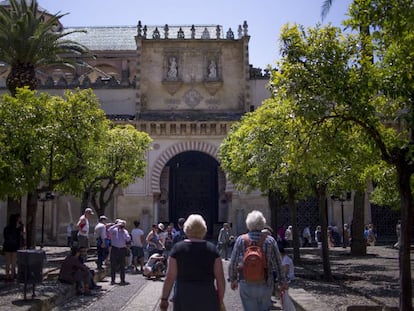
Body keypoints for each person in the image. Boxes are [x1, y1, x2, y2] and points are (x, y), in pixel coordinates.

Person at [159, 214, 225, 311]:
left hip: (184, 295)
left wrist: (164, 298)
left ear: (186, 228)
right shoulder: (212, 249)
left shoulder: (178, 249)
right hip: (207, 295)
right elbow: (220, 278)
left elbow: (170, 277)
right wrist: (220, 299)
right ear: (204, 229)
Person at [228, 210, 288, 311]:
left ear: (248, 224)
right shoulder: (270, 240)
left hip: (246, 281)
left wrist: (233, 279)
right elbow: (278, 263)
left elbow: (233, 262)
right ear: (262, 224)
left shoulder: (241, 240)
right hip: (265, 282)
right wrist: (282, 281)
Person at [108, 220, 131, 285]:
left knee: (122, 265)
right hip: (114, 248)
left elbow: (128, 238)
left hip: (122, 249)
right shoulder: (114, 230)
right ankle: (113, 280)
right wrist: (116, 225)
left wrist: (123, 232)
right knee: (113, 265)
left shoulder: (125, 231)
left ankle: (122, 280)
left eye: (123, 225)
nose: (121, 226)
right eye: (121, 225)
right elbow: (109, 230)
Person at [2, 214, 21, 281]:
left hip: (7, 246)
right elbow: (19, 238)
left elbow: (5, 237)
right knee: (13, 262)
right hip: (14, 247)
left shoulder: (6, 228)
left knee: (7, 262)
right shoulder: (17, 230)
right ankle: (12, 276)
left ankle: (7, 276)